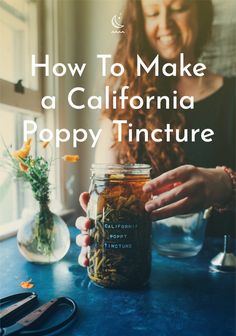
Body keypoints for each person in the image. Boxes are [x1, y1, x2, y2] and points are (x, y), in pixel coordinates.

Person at [76, 0, 235, 266]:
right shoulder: (124, 103)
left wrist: (226, 184)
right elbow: (104, 190)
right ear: (140, 23)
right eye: (152, 13)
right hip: (139, 262)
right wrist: (99, 231)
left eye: (178, 8)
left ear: (201, 13)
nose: (164, 24)